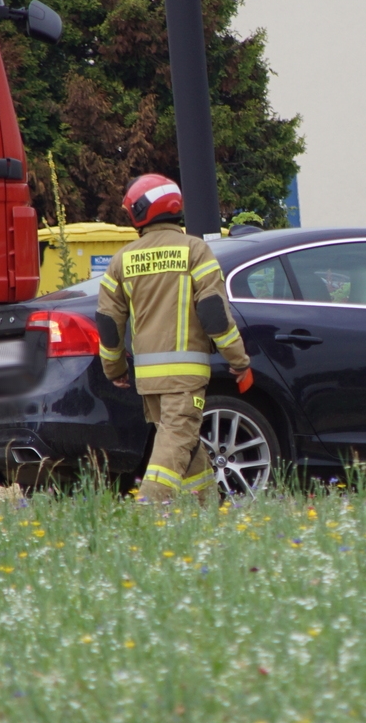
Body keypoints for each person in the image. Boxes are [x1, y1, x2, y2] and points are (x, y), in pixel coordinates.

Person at [97, 175, 254, 504]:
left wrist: (114, 369)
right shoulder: (195, 250)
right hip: (185, 375)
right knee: (173, 446)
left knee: (185, 442)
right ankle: (148, 513)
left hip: (149, 380)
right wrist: (238, 360)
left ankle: (208, 509)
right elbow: (213, 314)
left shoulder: (122, 260)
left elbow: (109, 323)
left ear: (141, 213)